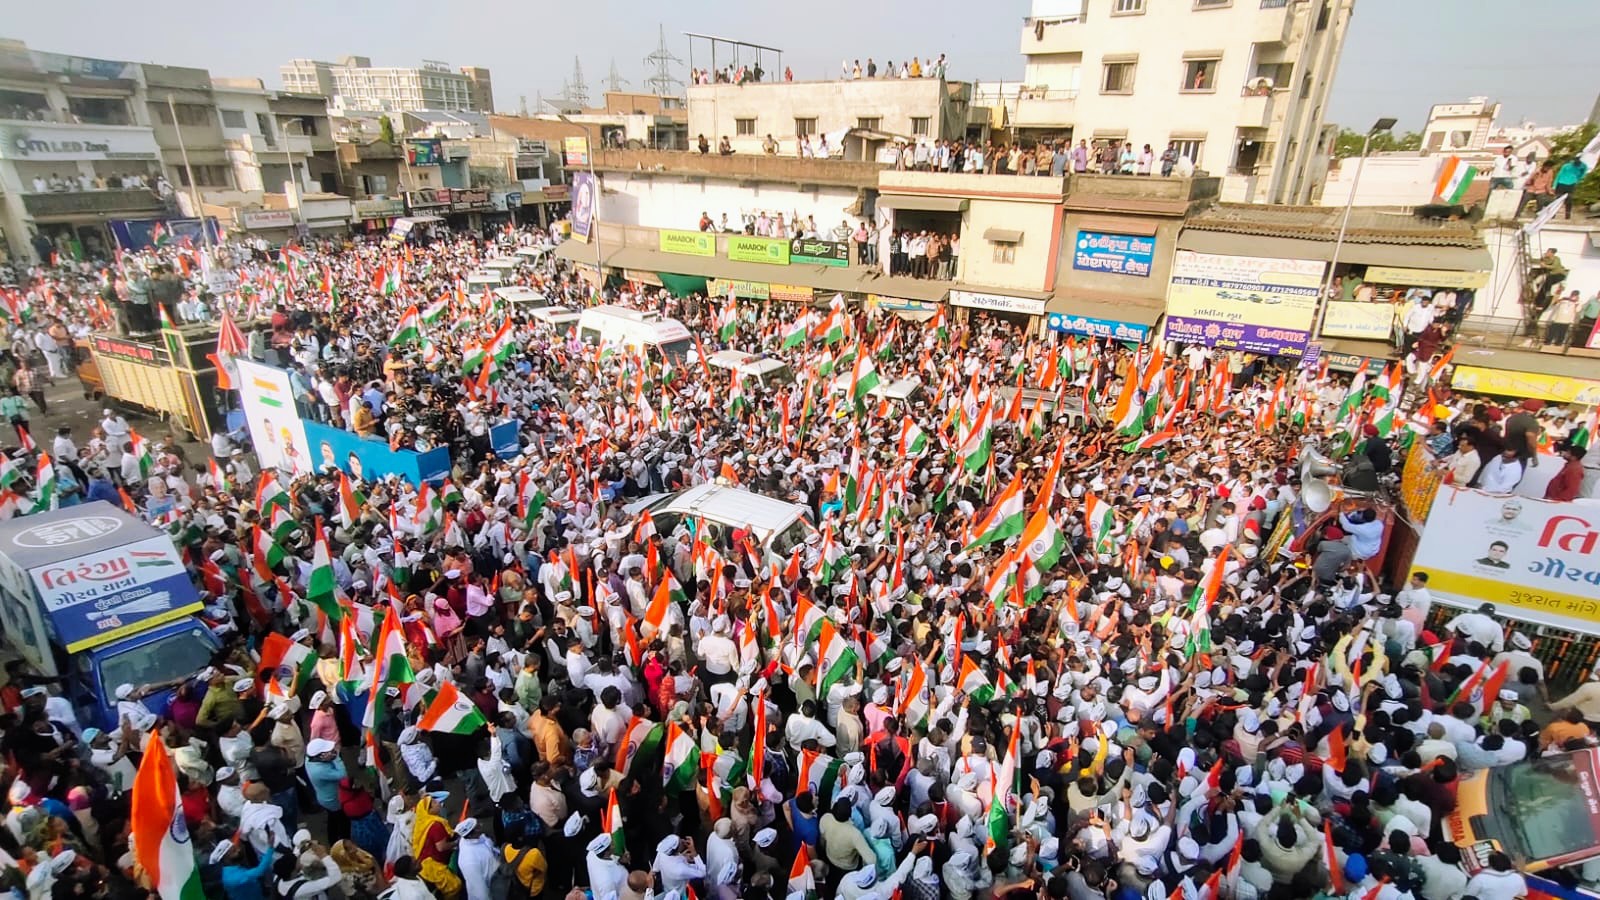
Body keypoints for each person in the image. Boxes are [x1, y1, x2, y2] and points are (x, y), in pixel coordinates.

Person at [1555, 154, 1589, 219]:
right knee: (1558, 200)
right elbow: (1559, 175)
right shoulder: (1566, 166)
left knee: (1569, 200)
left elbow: (1583, 175)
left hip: (1571, 184)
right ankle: (1553, 214)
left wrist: (1578, 180)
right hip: (1561, 183)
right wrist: (1554, 185)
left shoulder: (1583, 166)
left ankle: (1567, 215)